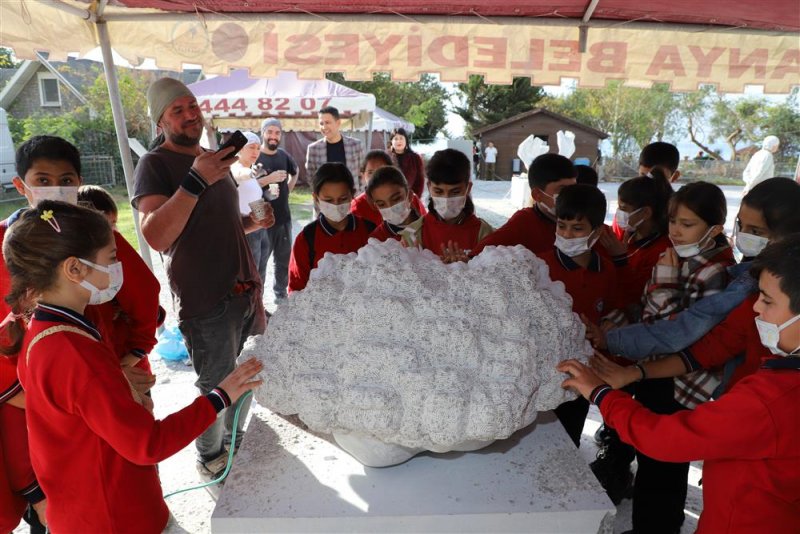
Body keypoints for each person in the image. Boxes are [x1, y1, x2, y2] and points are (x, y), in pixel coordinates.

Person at [4, 201, 264, 533]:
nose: (118, 267)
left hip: (82, 507)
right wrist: (221, 396)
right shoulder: (74, 352)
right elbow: (148, 445)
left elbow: (72, 404)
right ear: (74, 269)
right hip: (118, 517)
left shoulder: (43, 327)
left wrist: (115, 382)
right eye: (111, 258)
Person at [558, 234, 800, 533]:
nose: (756, 309)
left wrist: (601, 394)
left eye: (767, 300)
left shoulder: (772, 400)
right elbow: (711, 348)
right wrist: (636, 373)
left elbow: (666, 438)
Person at [132, 77, 273, 480]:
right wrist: (194, 181)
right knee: (217, 385)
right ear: (160, 121)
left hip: (244, 290)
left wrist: (252, 222)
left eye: (192, 105)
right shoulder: (155, 165)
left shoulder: (214, 159)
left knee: (247, 374)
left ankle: (233, 441)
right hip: (206, 299)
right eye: (177, 110)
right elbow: (157, 235)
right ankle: (209, 454)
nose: (191, 114)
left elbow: (213, 224)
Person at [538, 184, 620, 448]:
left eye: (577, 229)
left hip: (581, 377)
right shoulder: (538, 266)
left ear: (596, 232)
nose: (566, 234)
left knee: (569, 439)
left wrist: (603, 328)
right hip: (542, 371)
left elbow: (613, 313)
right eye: (561, 226)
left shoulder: (607, 271)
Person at [288, 163, 375, 292]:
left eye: (343, 198)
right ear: (316, 198)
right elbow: (297, 289)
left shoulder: (370, 232)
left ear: (353, 195)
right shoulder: (307, 239)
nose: (336, 205)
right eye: (328, 200)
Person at [471, 153, 576, 256]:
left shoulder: (584, 217)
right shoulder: (524, 222)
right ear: (537, 195)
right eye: (563, 190)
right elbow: (479, 254)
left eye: (574, 189)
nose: (571, 196)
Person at [245, 118, 299, 304]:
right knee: (259, 263)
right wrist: (269, 179)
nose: (273, 136)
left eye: (277, 133)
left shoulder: (284, 155)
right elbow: (244, 183)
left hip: (283, 217)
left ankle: (280, 295)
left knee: (283, 260)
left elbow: (296, 170)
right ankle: (257, 300)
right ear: (263, 133)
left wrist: (288, 189)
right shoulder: (254, 156)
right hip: (260, 220)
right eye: (270, 132)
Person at [400, 148, 493, 257]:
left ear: (468, 188)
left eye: (455, 192)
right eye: (438, 191)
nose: (446, 199)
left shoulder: (485, 233)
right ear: (429, 187)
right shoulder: (412, 234)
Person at [612, 142, 681, 240]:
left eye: (657, 178)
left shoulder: (678, 211)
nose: (648, 184)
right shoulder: (626, 212)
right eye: (643, 176)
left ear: (675, 176)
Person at [350, 150, 426, 227]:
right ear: (363, 176)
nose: (377, 177)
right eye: (370, 172)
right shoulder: (357, 206)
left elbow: (426, 225)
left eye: (382, 171)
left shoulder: (409, 198)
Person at [305, 106, 365, 192]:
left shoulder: (355, 145)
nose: (324, 127)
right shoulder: (313, 149)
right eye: (321, 123)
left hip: (351, 199)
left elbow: (362, 174)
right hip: (326, 200)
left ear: (338, 123)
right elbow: (311, 178)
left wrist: (358, 196)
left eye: (327, 122)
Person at [367, 166, 424, 242]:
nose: (390, 207)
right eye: (381, 204)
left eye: (396, 199)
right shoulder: (377, 240)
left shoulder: (430, 226)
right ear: (376, 206)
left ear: (409, 195)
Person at [388, 127, 425, 197]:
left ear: (406, 141)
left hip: (411, 198)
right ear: (391, 142)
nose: (399, 141)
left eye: (401, 138)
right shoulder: (386, 158)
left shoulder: (415, 158)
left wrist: (415, 198)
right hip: (390, 199)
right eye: (396, 139)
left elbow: (420, 181)